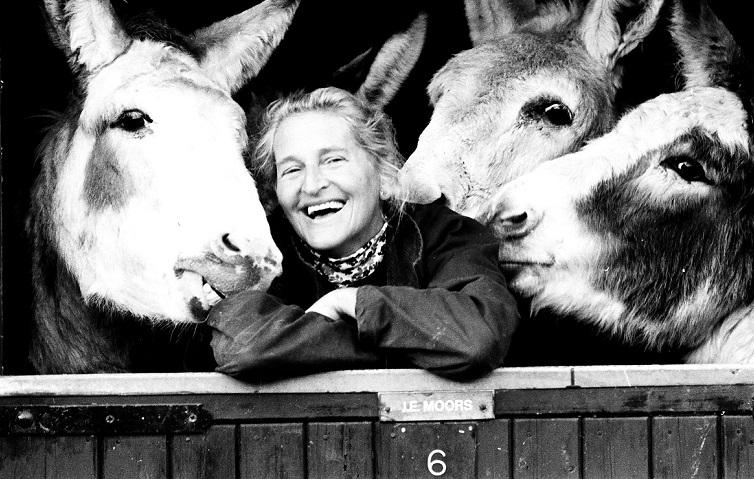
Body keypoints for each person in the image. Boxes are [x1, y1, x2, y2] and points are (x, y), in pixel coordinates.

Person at [206, 87, 520, 380]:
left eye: (333, 160)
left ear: (384, 177)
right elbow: (246, 347)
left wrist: (348, 302)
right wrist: (403, 344)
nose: (312, 185)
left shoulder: (448, 235)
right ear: (276, 190)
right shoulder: (259, 252)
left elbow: (476, 337)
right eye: (291, 170)